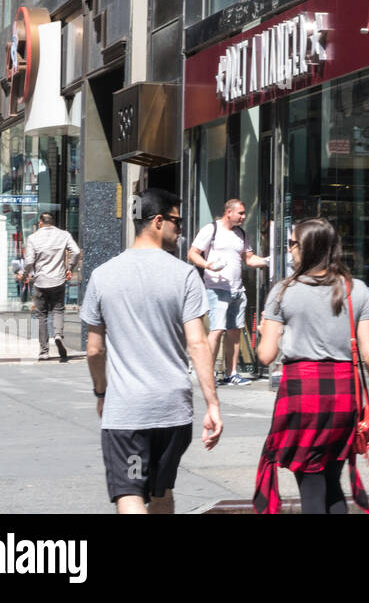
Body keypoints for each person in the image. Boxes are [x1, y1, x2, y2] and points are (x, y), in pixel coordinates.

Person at [80, 188, 222, 514]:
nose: (181, 229)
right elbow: (198, 343)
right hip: (173, 410)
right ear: (158, 221)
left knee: (130, 493)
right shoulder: (185, 275)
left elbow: (94, 350)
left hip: (127, 411)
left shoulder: (103, 277)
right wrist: (212, 404)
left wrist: (101, 392)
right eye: (177, 221)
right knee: (162, 491)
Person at [253, 218, 369, 514]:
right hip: (343, 395)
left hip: (301, 394)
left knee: (312, 487)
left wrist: (263, 331)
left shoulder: (282, 291)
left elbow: (265, 356)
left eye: (292, 244)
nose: (289, 250)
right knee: (332, 481)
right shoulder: (356, 290)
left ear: (308, 248)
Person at [187, 199, 269, 385]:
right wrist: (207, 265)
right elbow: (192, 253)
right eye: (240, 213)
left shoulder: (240, 233)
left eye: (244, 213)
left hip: (237, 289)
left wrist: (268, 261)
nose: (243, 216)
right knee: (216, 330)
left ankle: (231, 373)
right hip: (217, 288)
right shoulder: (211, 229)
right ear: (228, 212)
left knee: (234, 331)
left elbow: (249, 259)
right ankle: (207, 373)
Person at [16, 213, 82, 362]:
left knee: (42, 315)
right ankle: (58, 335)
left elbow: (29, 261)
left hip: (40, 282)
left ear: (40, 223)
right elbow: (76, 251)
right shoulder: (64, 235)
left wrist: (25, 274)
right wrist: (70, 267)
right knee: (58, 310)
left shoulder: (33, 238)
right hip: (58, 280)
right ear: (52, 223)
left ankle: (44, 351)